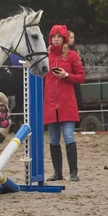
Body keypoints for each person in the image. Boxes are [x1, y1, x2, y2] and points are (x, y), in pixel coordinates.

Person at [44, 24, 85, 182]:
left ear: (64, 39)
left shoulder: (72, 56)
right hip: (50, 104)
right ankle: (57, 173)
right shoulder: (45, 57)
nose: (55, 39)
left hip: (67, 104)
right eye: (53, 36)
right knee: (53, 139)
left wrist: (66, 75)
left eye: (58, 37)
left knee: (68, 137)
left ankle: (73, 173)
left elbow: (81, 77)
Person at [68, 30, 84, 124]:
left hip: (75, 80)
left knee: (78, 103)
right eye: (71, 37)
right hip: (67, 80)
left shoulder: (75, 51)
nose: (72, 39)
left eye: (73, 37)